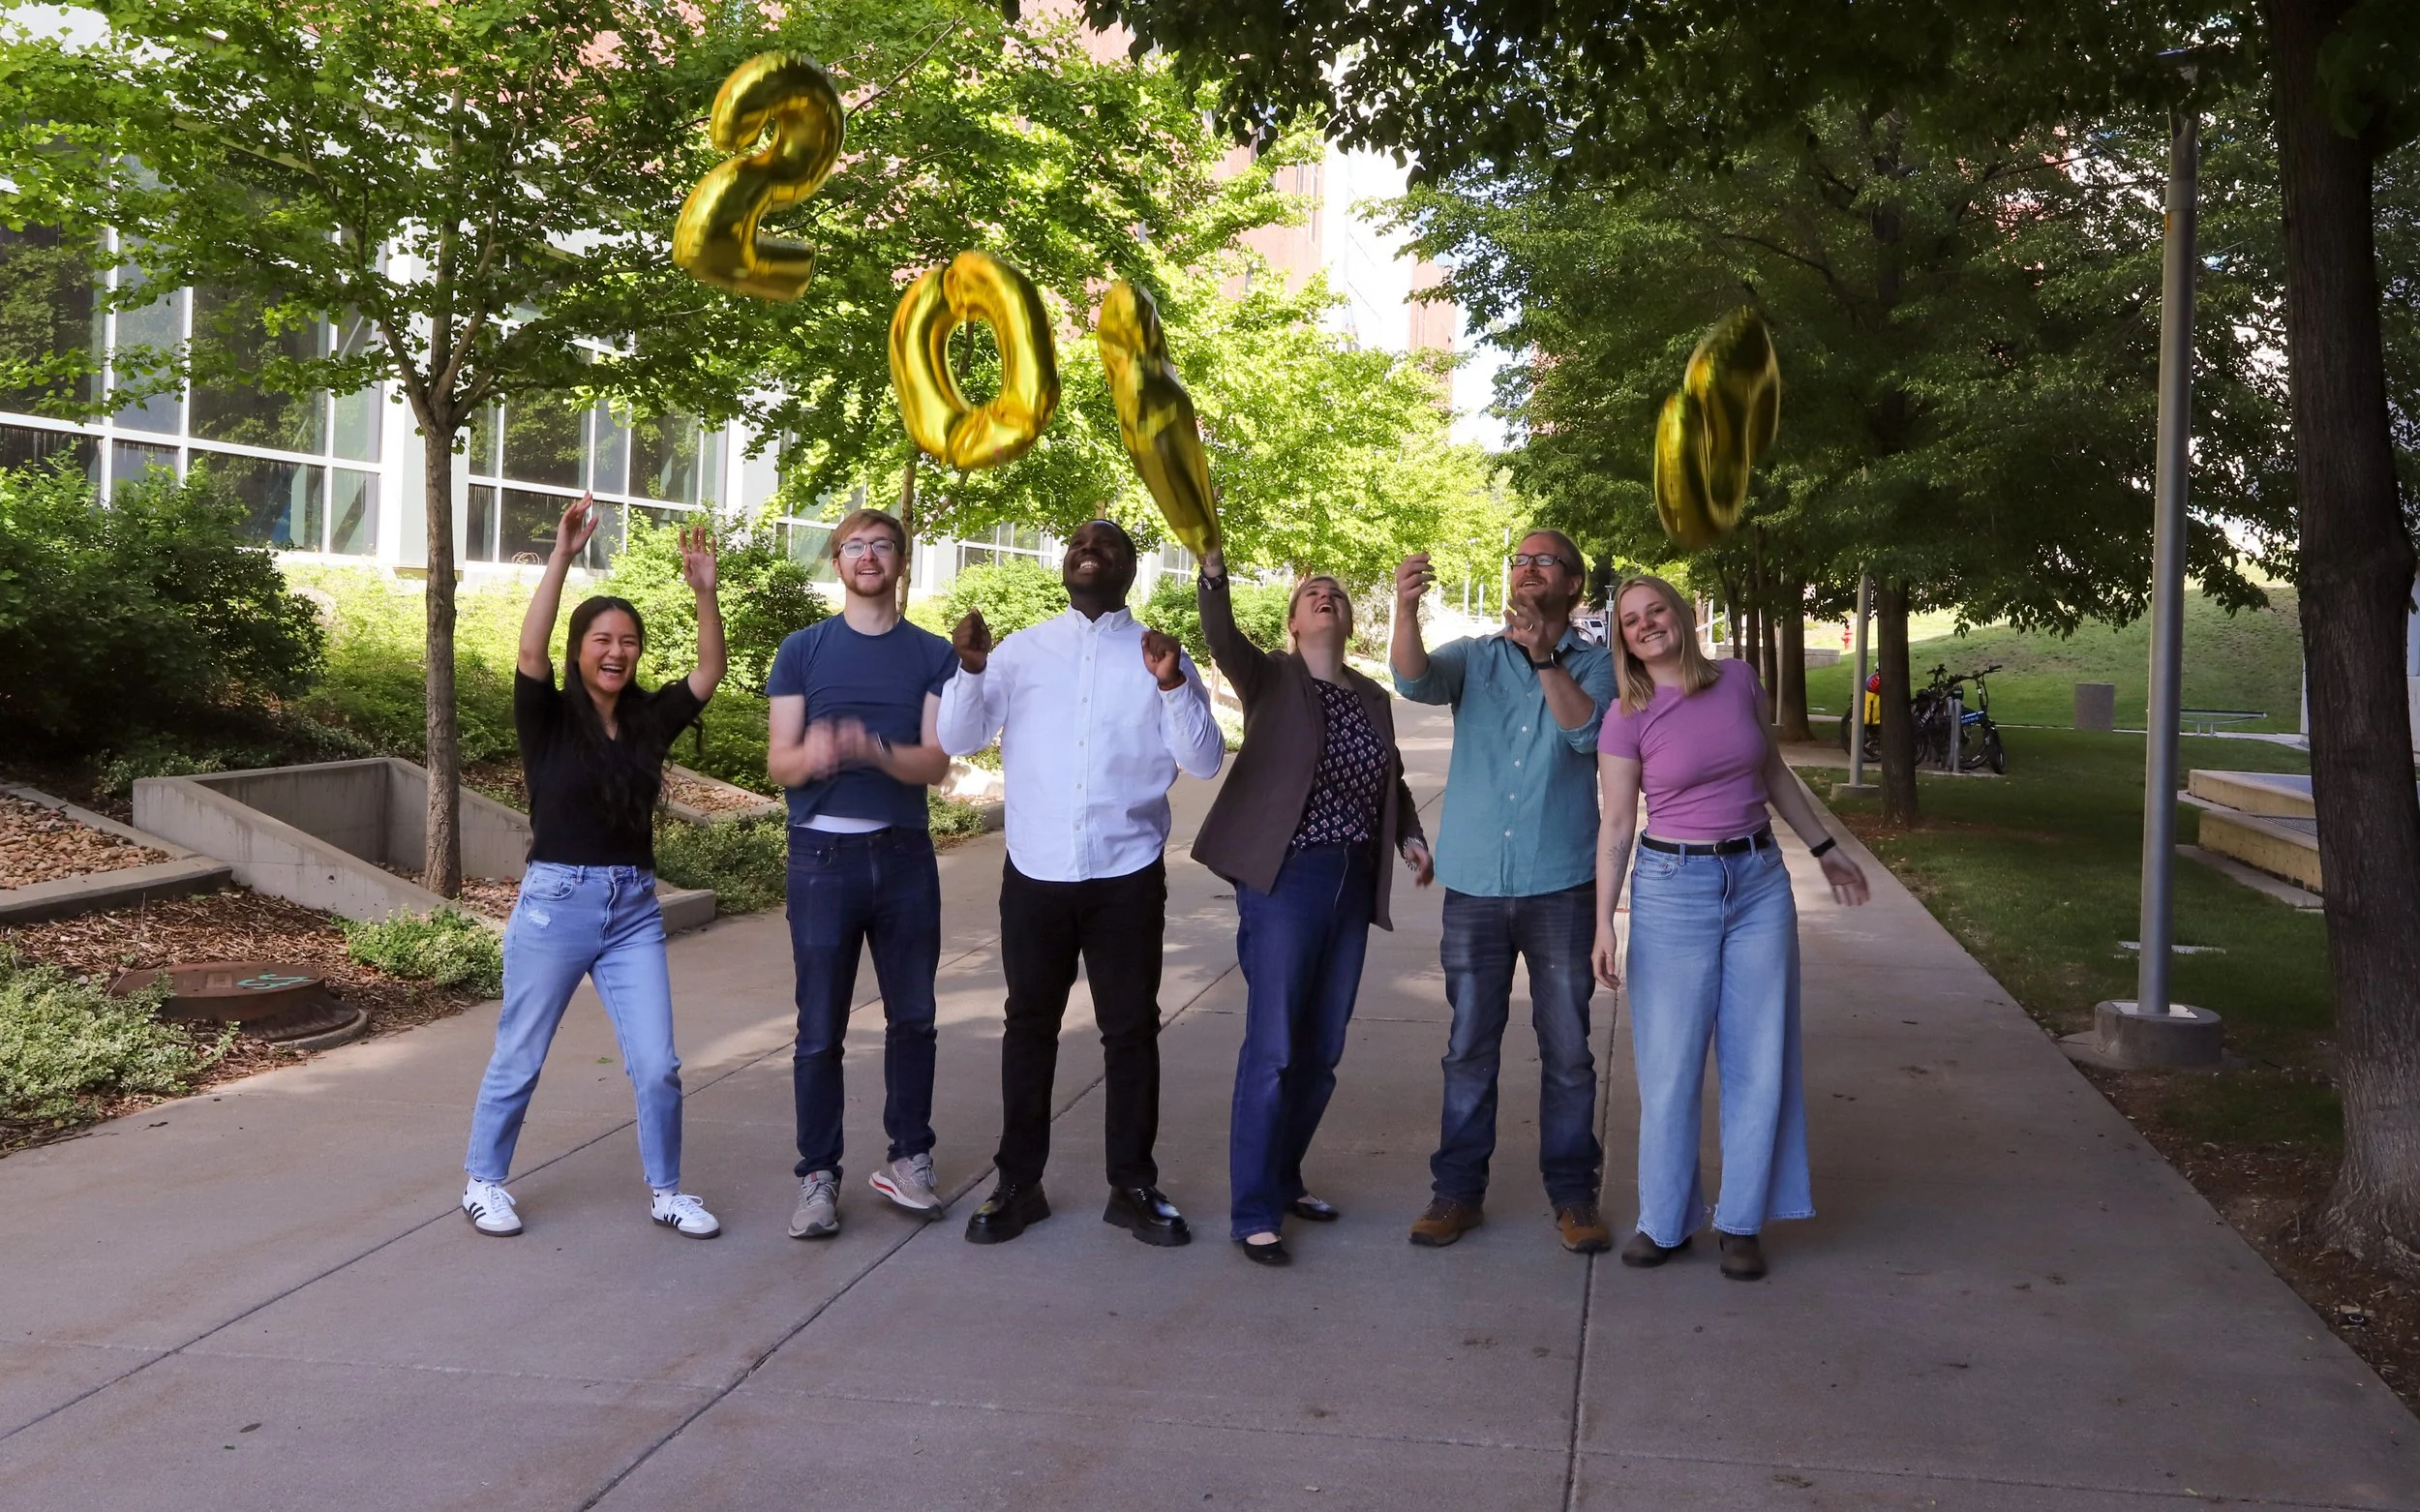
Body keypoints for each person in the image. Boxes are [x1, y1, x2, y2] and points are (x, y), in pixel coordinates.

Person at [937, 520, 1224, 1247]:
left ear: (1130, 568)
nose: (1087, 551)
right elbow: (959, 739)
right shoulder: (1021, 651)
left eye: (1106, 545)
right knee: (1029, 1028)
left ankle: (1132, 1186)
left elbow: (1203, 760)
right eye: (1077, 543)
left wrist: (1172, 685)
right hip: (1037, 872)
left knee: (1130, 1031)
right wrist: (969, 670)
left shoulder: (1159, 654)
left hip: (1126, 874)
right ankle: (1018, 1184)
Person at [1590, 575, 1870, 1281]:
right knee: (1670, 1066)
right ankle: (1663, 1221)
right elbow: (1617, 822)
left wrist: (1826, 848)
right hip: (1672, 886)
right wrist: (1604, 922)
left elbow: (1773, 773)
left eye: (1656, 609)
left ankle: (1742, 1222)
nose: (1646, 624)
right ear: (1624, 640)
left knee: (1759, 1058)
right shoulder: (1627, 714)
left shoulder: (1740, 679)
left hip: (1758, 882)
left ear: (1681, 614)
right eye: (1631, 620)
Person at [462, 494, 725, 1241]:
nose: (616, 652)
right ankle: (483, 1181)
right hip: (556, 905)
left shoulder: (648, 721)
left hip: (633, 911)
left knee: (659, 1064)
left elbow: (710, 670)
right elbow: (529, 651)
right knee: (521, 1052)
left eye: (629, 641)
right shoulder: (546, 717)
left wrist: (705, 592)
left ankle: (667, 1190)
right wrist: (561, 557)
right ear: (580, 649)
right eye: (602, 639)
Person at [1193, 548, 1434, 1266]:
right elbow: (1220, 636)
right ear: (1294, 623)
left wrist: (1409, 834)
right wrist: (1213, 574)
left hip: (1352, 879)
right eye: (1311, 593)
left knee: (1322, 1049)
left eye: (1337, 593)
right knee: (1274, 1047)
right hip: (1287, 877)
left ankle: (1283, 1176)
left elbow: (1390, 777)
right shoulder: (1270, 677)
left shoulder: (1371, 697)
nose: (1326, 596)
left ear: (1349, 619)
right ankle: (1253, 1210)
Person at [1393, 529, 1618, 1255]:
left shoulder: (1599, 665)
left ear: (1574, 584)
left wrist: (1546, 659)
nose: (1526, 568)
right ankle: (1457, 1192)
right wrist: (1405, 609)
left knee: (1569, 1051)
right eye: (1519, 559)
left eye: (1543, 560)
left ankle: (1574, 1196)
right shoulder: (1475, 655)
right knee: (1468, 1047)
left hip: (1562, 886)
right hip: (1477, 887)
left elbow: (1586, 735)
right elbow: (1413, 680)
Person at [766, 508, 960, 1241]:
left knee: (914, 1018)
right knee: (819, 1029)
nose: (868, 555)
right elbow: (780, 762)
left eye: (882, 545)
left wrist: (873, 750)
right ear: (837, 561)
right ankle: (818, 1176)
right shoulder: (802, 651)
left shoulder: (933, 655)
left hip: (904, 856)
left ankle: (909, 1158)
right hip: (820, 859)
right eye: (854, 545)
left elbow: (935, 764)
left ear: (901, 561)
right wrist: (814, 756)